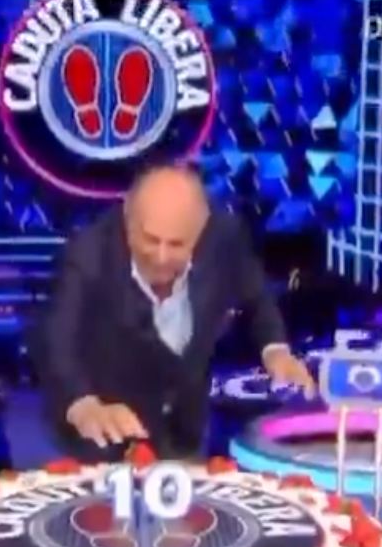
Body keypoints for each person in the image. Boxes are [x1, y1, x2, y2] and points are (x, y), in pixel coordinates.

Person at [33, 162, 315, 462]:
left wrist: (275, 350)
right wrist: (81, 403)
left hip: (183, 430)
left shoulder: (225, 238)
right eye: (150, 240)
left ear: (199, 232)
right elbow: (56, 337)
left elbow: (256, 296)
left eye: (177, 244)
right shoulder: (88, 253)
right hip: (104, 437)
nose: (161, 257)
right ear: (128, 221)